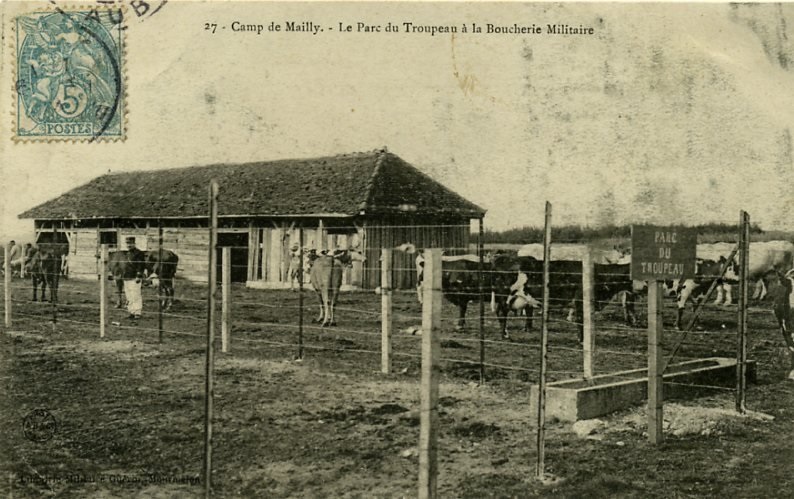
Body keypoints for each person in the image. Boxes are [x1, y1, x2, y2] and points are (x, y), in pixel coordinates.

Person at [122, 237, 146, 320]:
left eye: (130, 243)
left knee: (136, 295)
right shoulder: (127, 253)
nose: (129, 245)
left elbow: (141, 265)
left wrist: (138, 276)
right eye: (127, 243)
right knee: (129, 296)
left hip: (134, 277)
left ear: (134, 243)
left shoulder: (139, 253)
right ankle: (131, 312)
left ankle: (137, 312)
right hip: (126, 277)